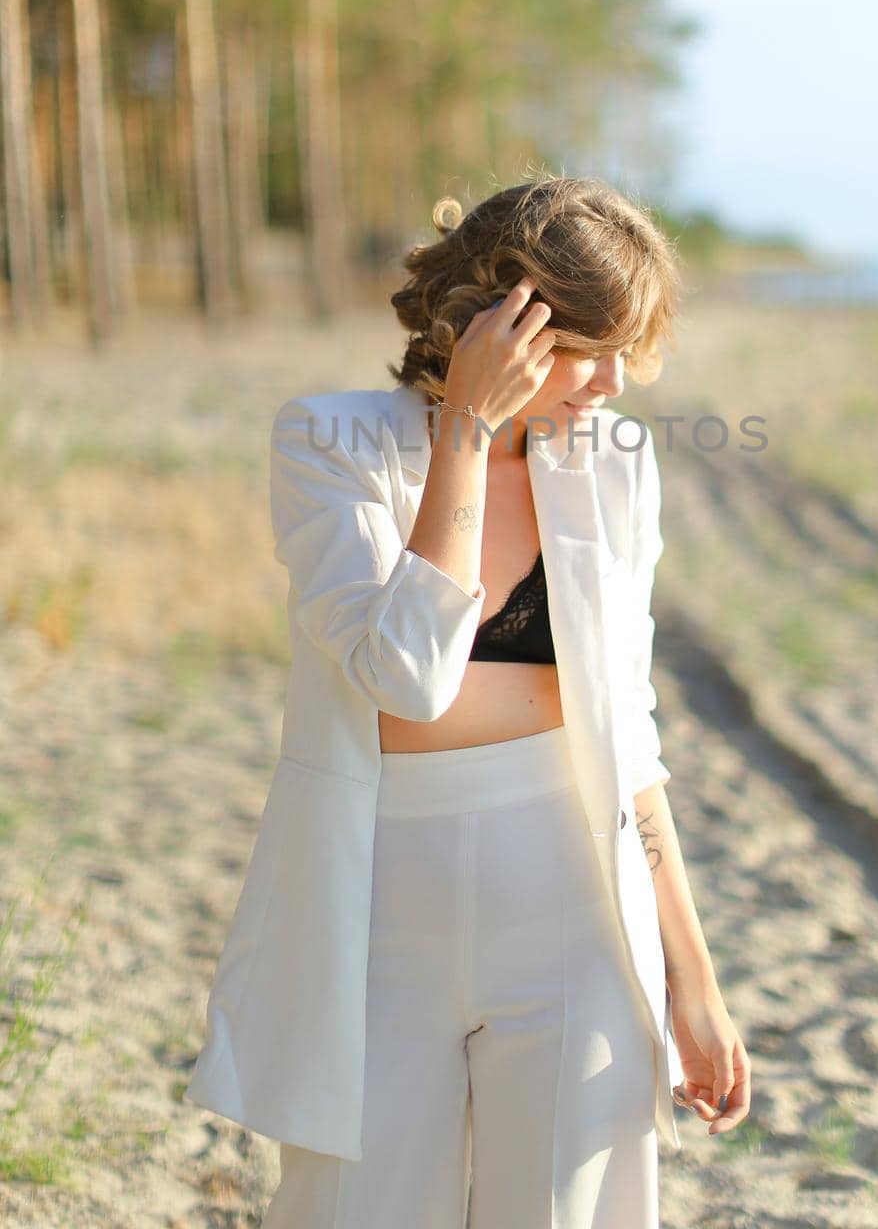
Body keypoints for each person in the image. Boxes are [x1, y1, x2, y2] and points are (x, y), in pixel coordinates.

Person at [184, 175, 751, 1227]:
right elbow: (406, 672)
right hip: (374, 908)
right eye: (591, 347)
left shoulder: (615, 467)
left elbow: (626, 734)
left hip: (573, 903)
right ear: (502, 323)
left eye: (631, 349)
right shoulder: (329, 444)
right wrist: (465, 435)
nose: (616, 383)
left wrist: (692, 977)